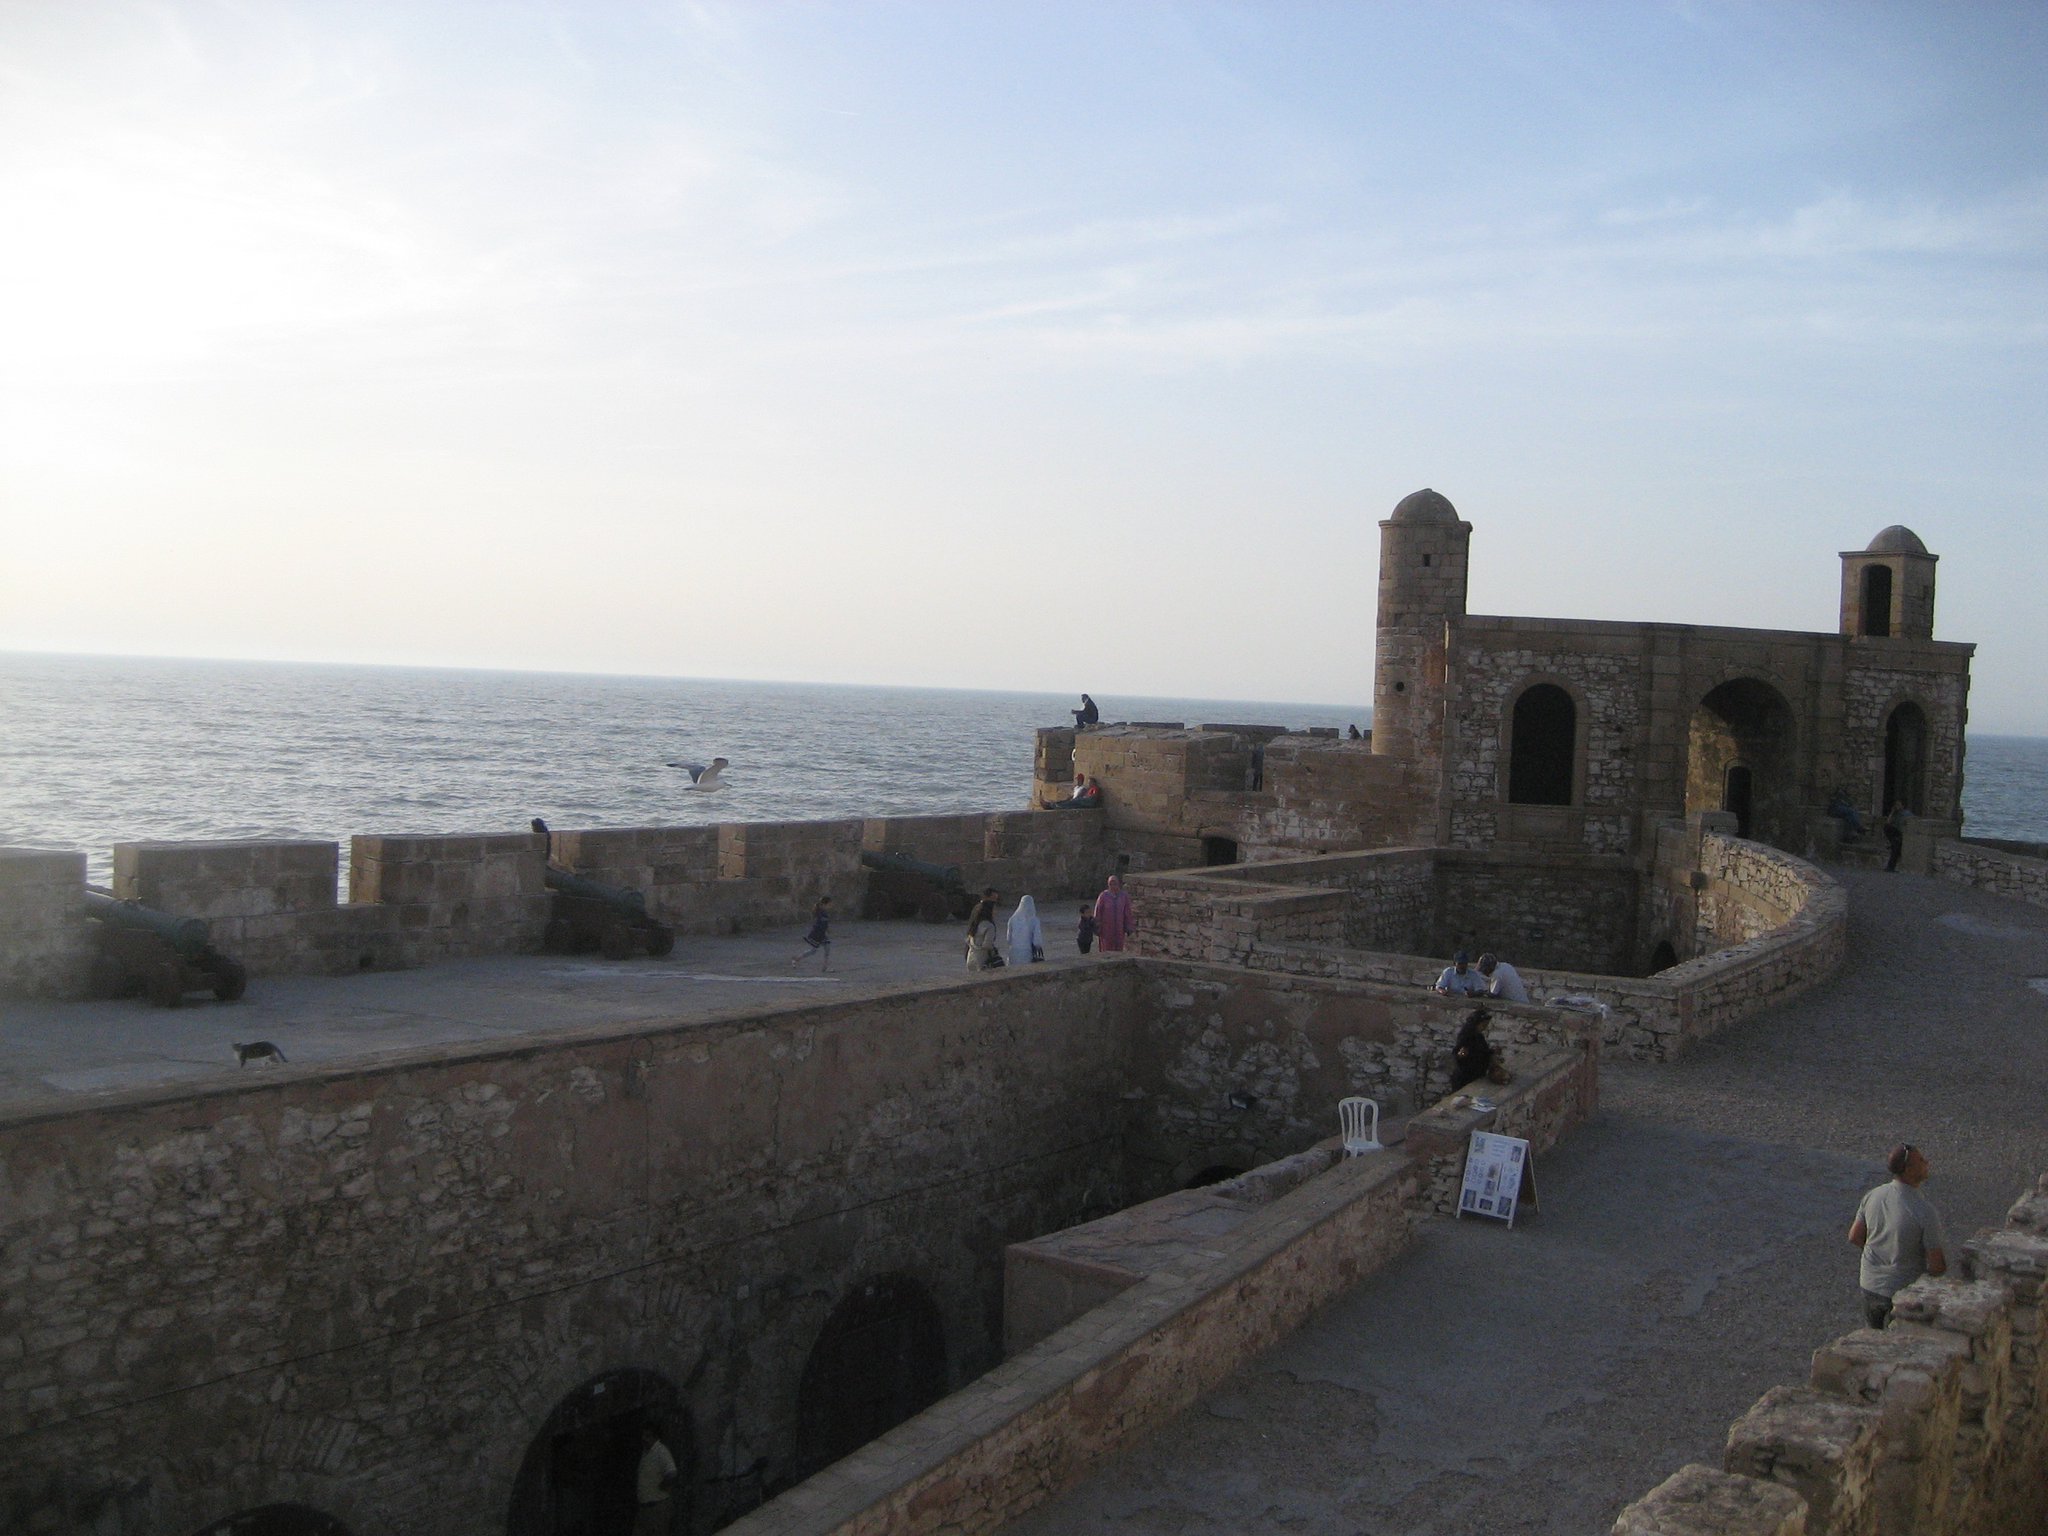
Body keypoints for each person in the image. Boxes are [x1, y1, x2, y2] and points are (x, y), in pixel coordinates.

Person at [1848, 1143, 1948, 1329]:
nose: (1927, 1162)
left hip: (1870, 1284)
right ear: (1909, 1169)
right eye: (1921, 1160)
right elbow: (1937, 1265)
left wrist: (1880, 1254)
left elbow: (1854, 1236)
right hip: (1903, 1292)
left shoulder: (1873, 1195)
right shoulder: (1924, 1211)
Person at [634, 1424, 678, 1535]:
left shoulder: (661, 1451)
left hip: (657, 1507)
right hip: (644, 1508)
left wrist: (663, 1486)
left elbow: (672, 1472)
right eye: (643, 1435)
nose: (644, 1439)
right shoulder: (646, 1452)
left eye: (648, 1436)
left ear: (655, 1437)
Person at [1449, 1008, 1496, 1092]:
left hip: (1477, 1075)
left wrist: (1492, 1052)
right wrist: (1460, 1055)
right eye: (1483, 1025)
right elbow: (1456, 1054)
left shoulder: (1479, 1036)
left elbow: (1482, 1052)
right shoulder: (1466, 1036)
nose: (1484, 1028)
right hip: (1465, 1078)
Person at [1092, 875, 1134, 953]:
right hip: (1106, 929)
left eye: (1115, 883)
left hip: (1119, 928)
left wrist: (1129, 926)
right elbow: (1098, 911)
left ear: (1118, 884)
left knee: (1118, 949)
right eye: (1111, 884)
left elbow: (1128, 912)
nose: (1113, 886)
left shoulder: (1123, 896)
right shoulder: (1103, 896)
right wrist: (1097, 926)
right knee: (1106, 949)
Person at [965, 887, 1003, 970]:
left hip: (971, 957)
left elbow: (968, 935)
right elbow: (987, 945)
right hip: (982, 960)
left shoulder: (976, 920)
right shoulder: (989, 926)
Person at [791, 895, 831, 970]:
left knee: (827, 948)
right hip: (817, 933)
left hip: (822, 933)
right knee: (813, 951)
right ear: (825, 904)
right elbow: (817, 921)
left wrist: (827, 929)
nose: (830, 906)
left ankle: (825, 966)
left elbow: (825, 922)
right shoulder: (819, 911)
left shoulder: (825, 912)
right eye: (829, 904)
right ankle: (796, 959)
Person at [1007, 894, 1045, 964]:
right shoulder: (1035, 920)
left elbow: (1008, 939)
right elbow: (1037, 941)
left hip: (1013, 952)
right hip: (1027, 953)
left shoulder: (1012, 919)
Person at [1884, 800, 1909, 872]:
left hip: (1902, 834)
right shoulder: (1895, 814)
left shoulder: (1906, 814)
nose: (1897, 806)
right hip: (1896, 835)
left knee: (1895, 847)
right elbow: (1888, 822)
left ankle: (1890, 867)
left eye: (1898, 805)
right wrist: (1892, 812)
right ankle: (1890, 867)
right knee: (1887, 828)